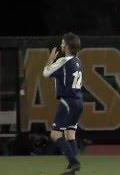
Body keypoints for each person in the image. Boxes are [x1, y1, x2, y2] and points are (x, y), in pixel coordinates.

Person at [43, 32, 83, 175]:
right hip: (78, 101)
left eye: (62, 43)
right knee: (70, 134)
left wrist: (51, 59)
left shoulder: (63, 61)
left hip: (67, 101)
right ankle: (72, 169)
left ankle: (74, 163)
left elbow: (46, 73)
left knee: (55, 134)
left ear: (66, 46)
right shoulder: (78, 61)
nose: (61, 45)